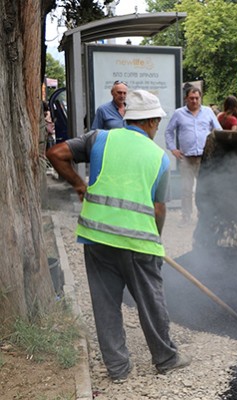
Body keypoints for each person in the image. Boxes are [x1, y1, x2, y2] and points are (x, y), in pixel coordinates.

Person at [46, 90, 190, 382]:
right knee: (151, 301)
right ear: (149, 121)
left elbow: (55, 153)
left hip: (97, 238)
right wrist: (156, 240)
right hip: (138, 244)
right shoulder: (159, 159)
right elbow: (159, 208)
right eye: (157, 122)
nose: (158, 127)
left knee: (105, 304)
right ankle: (165, 358)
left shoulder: (98, 138)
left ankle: (118, 369)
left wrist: (78, 184)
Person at [165, 85, 222, 223]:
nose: (195, 101)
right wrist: (173, 149)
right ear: (186, 98)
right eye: (191, 98)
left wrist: (216, 150)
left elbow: (218, 130)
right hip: (187, 158)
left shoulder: (208, 112)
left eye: (197, 98)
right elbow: (168, 132)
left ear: (200, 98)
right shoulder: (179, 113)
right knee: (186, 189)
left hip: (205, 157)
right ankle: (186, 216)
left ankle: (204, 217)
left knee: (205, 189)